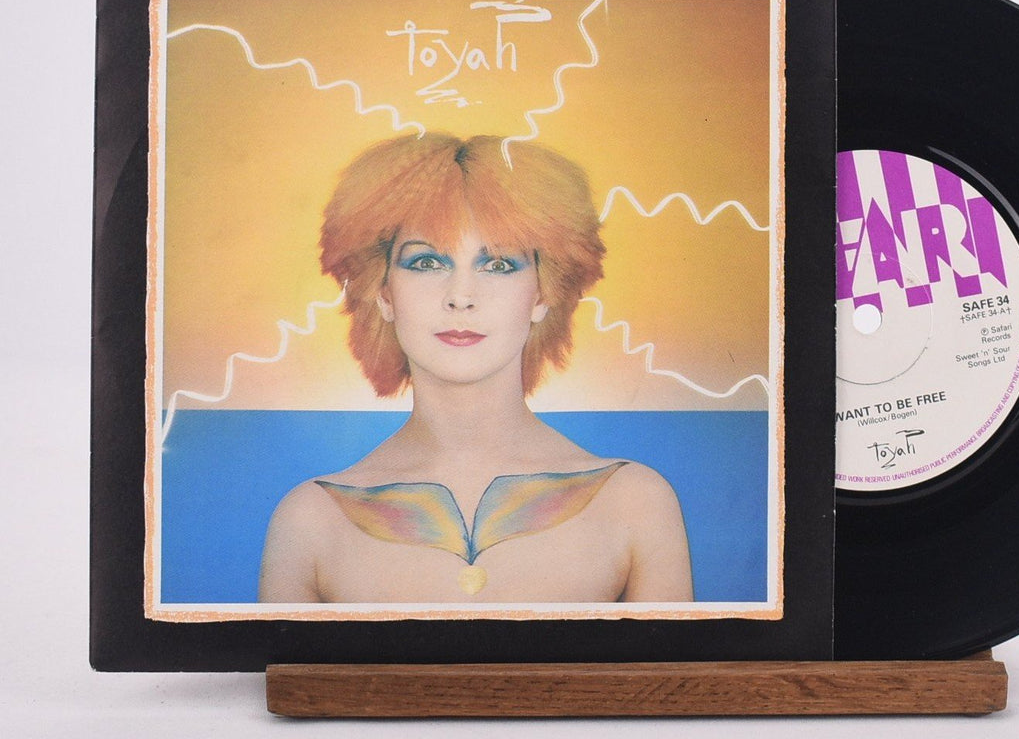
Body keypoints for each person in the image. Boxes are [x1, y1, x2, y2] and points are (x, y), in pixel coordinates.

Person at [258, 132, 693, 604]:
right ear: (383, 293)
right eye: (427, 261)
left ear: (543, 293)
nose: (461, 296)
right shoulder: (310, 520)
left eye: (498, 264)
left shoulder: (635, 503)